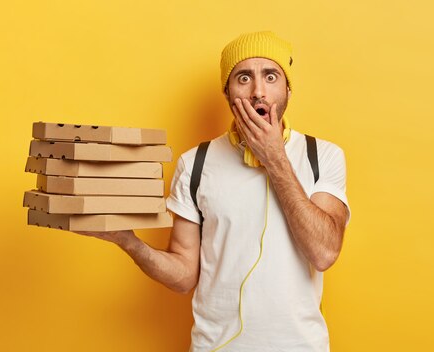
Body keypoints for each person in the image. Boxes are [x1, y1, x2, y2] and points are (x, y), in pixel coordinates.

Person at [77, 31, 350, 351]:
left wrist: (274, 158)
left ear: (287, 88)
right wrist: (129, 242)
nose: (258, 92)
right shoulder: (195, 163)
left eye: (271, 76)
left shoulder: (323, 156)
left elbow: (325, 252)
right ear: (227, 92)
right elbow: (183, 275)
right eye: (244, 78)